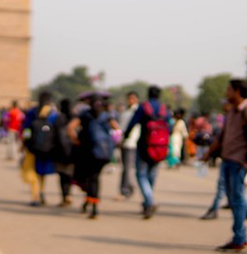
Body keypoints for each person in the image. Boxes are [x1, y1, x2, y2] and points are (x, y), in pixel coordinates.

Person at [203, 79, 247, 252]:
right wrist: (208, 154)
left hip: (239, 162)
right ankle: (239, 235)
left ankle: (239, 237)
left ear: (237, 91)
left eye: (229, 90)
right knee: (233, 198)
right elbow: (221, 137)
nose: (226, 93)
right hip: (228, 159)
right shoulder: (231, 112)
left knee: (237, 199)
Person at [124, 85, 170, 219]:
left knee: (141, 175)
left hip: (145, 146)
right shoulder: (163, 109)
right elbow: (169, 127)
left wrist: (126, 135)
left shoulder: (143, 107)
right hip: (160, 147)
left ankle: (149, 201)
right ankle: (147, 201)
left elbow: (132, 123)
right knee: (152, 175)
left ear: (148, 95)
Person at [68, 94, 115, 219]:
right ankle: (90, 202)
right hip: (103, 152)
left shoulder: (85, 114)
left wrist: (76, 140)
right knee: (95, 177)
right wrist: (112, 143)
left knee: (91, 178)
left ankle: (93, 206)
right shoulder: (107, 115)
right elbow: (117, 129)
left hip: (88, 152)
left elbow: (70, 128)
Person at [21, 91, 58, 206]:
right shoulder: (53, 114)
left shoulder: (32, 112)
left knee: (32, 171)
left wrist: (24, 143)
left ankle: (35, 196)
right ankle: (41, 192)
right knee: (42, 172)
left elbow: (26, 129)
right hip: (48, 148)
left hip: (33, 147)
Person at [116, 91, 140, 199]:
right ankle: (126, 188)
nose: (130, 100)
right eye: (129, 98)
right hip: (125, 142)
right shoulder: (125, 112)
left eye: (132, 98)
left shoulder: (138, 112)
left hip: (133, 143)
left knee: (128, 168)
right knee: (126, 168)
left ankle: (125, 190)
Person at [55, 99, 75, 207]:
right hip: (72, 150)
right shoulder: (75, 118)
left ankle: (65, 195)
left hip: (60, 151)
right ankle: (69, 194)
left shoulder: (58, 118)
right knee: (69, 174)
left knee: (62, 175)